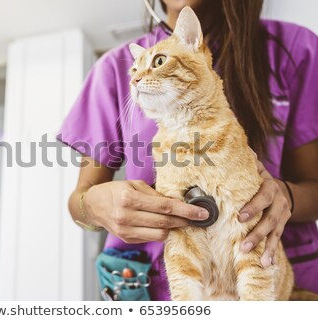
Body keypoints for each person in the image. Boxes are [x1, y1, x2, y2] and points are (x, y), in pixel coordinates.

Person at [57, 0, 318, 300]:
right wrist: (92, 207)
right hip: (159, 288)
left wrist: (285, 196)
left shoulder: (293, 49)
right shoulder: (117, 69)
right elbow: (79, 201)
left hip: (265, 278)